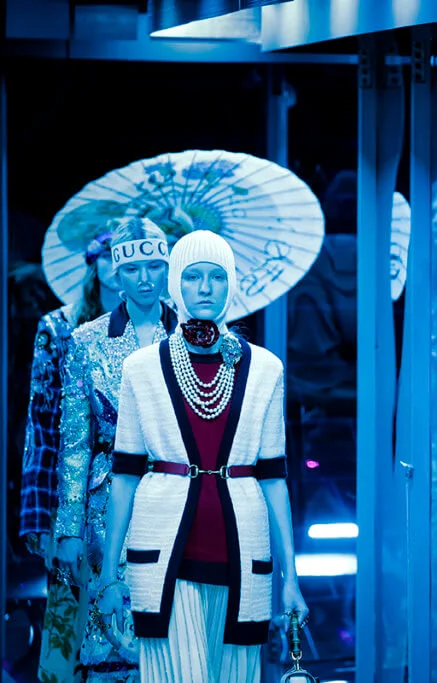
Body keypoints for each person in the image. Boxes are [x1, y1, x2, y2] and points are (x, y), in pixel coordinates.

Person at [98, 229, 308, 682]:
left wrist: (291, 577)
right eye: (193, 277)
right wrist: (108, 573)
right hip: (162, 554)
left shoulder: (266, 369)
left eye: (217, 276)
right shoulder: (141, 368)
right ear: (176, 283)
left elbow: (274, 477)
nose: (206, 288)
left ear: (231, 283)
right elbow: (125, 474)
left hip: (244, 556)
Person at [54, 217, 179, 681]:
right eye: (132, 269)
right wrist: (68, 527)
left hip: (178, 492)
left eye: (154, 266)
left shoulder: (192, 334)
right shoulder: (85, 341)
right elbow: (74, 442)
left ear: (167, 268)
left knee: (177, 632)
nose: (144, 278)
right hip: (107, 502)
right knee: (112, 638)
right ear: (115, 274)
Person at [19, 229, 121, 683]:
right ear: (94, 264)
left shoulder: (157, 328)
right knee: (70, 622)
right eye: (110, 256)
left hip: (136, 487)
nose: (118, 267)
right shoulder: (59, 328)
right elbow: (41, 426)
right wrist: (38, 518)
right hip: (72, 495)